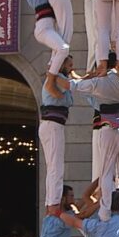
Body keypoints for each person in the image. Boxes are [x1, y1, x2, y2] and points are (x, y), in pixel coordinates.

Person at [68, 53, 119, 220]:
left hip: (109, 129)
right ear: (117, 63)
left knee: (107, 172)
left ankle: (105, 212)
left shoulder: (97, 83)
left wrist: (93, 74)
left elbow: (73, 85)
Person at [25, 0, 71, 83]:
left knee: (57, 50)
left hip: (47, 27)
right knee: (63, 49)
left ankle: (52, 68)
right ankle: (51, 78)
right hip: (43, 29)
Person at [39, 58, 75, 215]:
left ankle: (51, 201)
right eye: (69, 65)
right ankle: (54, 203)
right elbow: (55, 91)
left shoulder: (60, 78)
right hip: (53, 125)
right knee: (56, 166)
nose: (71, 68)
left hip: (53, 125)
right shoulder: (54, 79)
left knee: (53, 166)